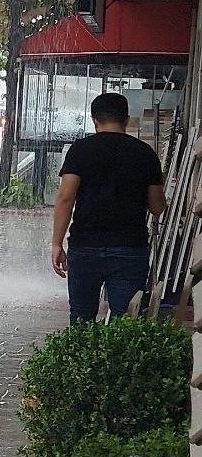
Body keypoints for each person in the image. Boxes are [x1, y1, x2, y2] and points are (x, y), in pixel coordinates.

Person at [51, 92, 166, 322]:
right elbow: (156, 207)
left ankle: (82, 347)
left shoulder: (80, 150)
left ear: (95, 120)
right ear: (126, 120)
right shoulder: (145, 154)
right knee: (124, 321)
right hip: (130, 248)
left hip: (85, 246)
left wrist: (56, 243)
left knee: (81, 317)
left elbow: (65, 198)